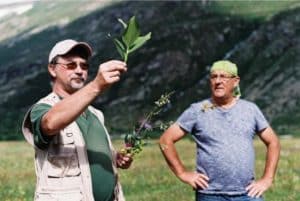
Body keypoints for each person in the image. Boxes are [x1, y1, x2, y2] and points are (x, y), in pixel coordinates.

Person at [22, 39, 133, 201]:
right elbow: (49, 124)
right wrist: (96, 86)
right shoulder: (43, 108)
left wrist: (115, 158)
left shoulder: (96, 114)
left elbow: (87, 151)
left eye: (84, 65)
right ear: (52, 69)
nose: (80, 70)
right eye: (71, 65)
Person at [159, 60, 280, 201]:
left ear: (235, 81)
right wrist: (182, 173)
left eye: (223, 76)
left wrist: (267, 179)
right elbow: (165, 140)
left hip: (247, 194)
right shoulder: (198, 110)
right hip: (209, 195)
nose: (218, 81)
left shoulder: (250, 110)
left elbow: (273, 142)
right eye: (214, 76)